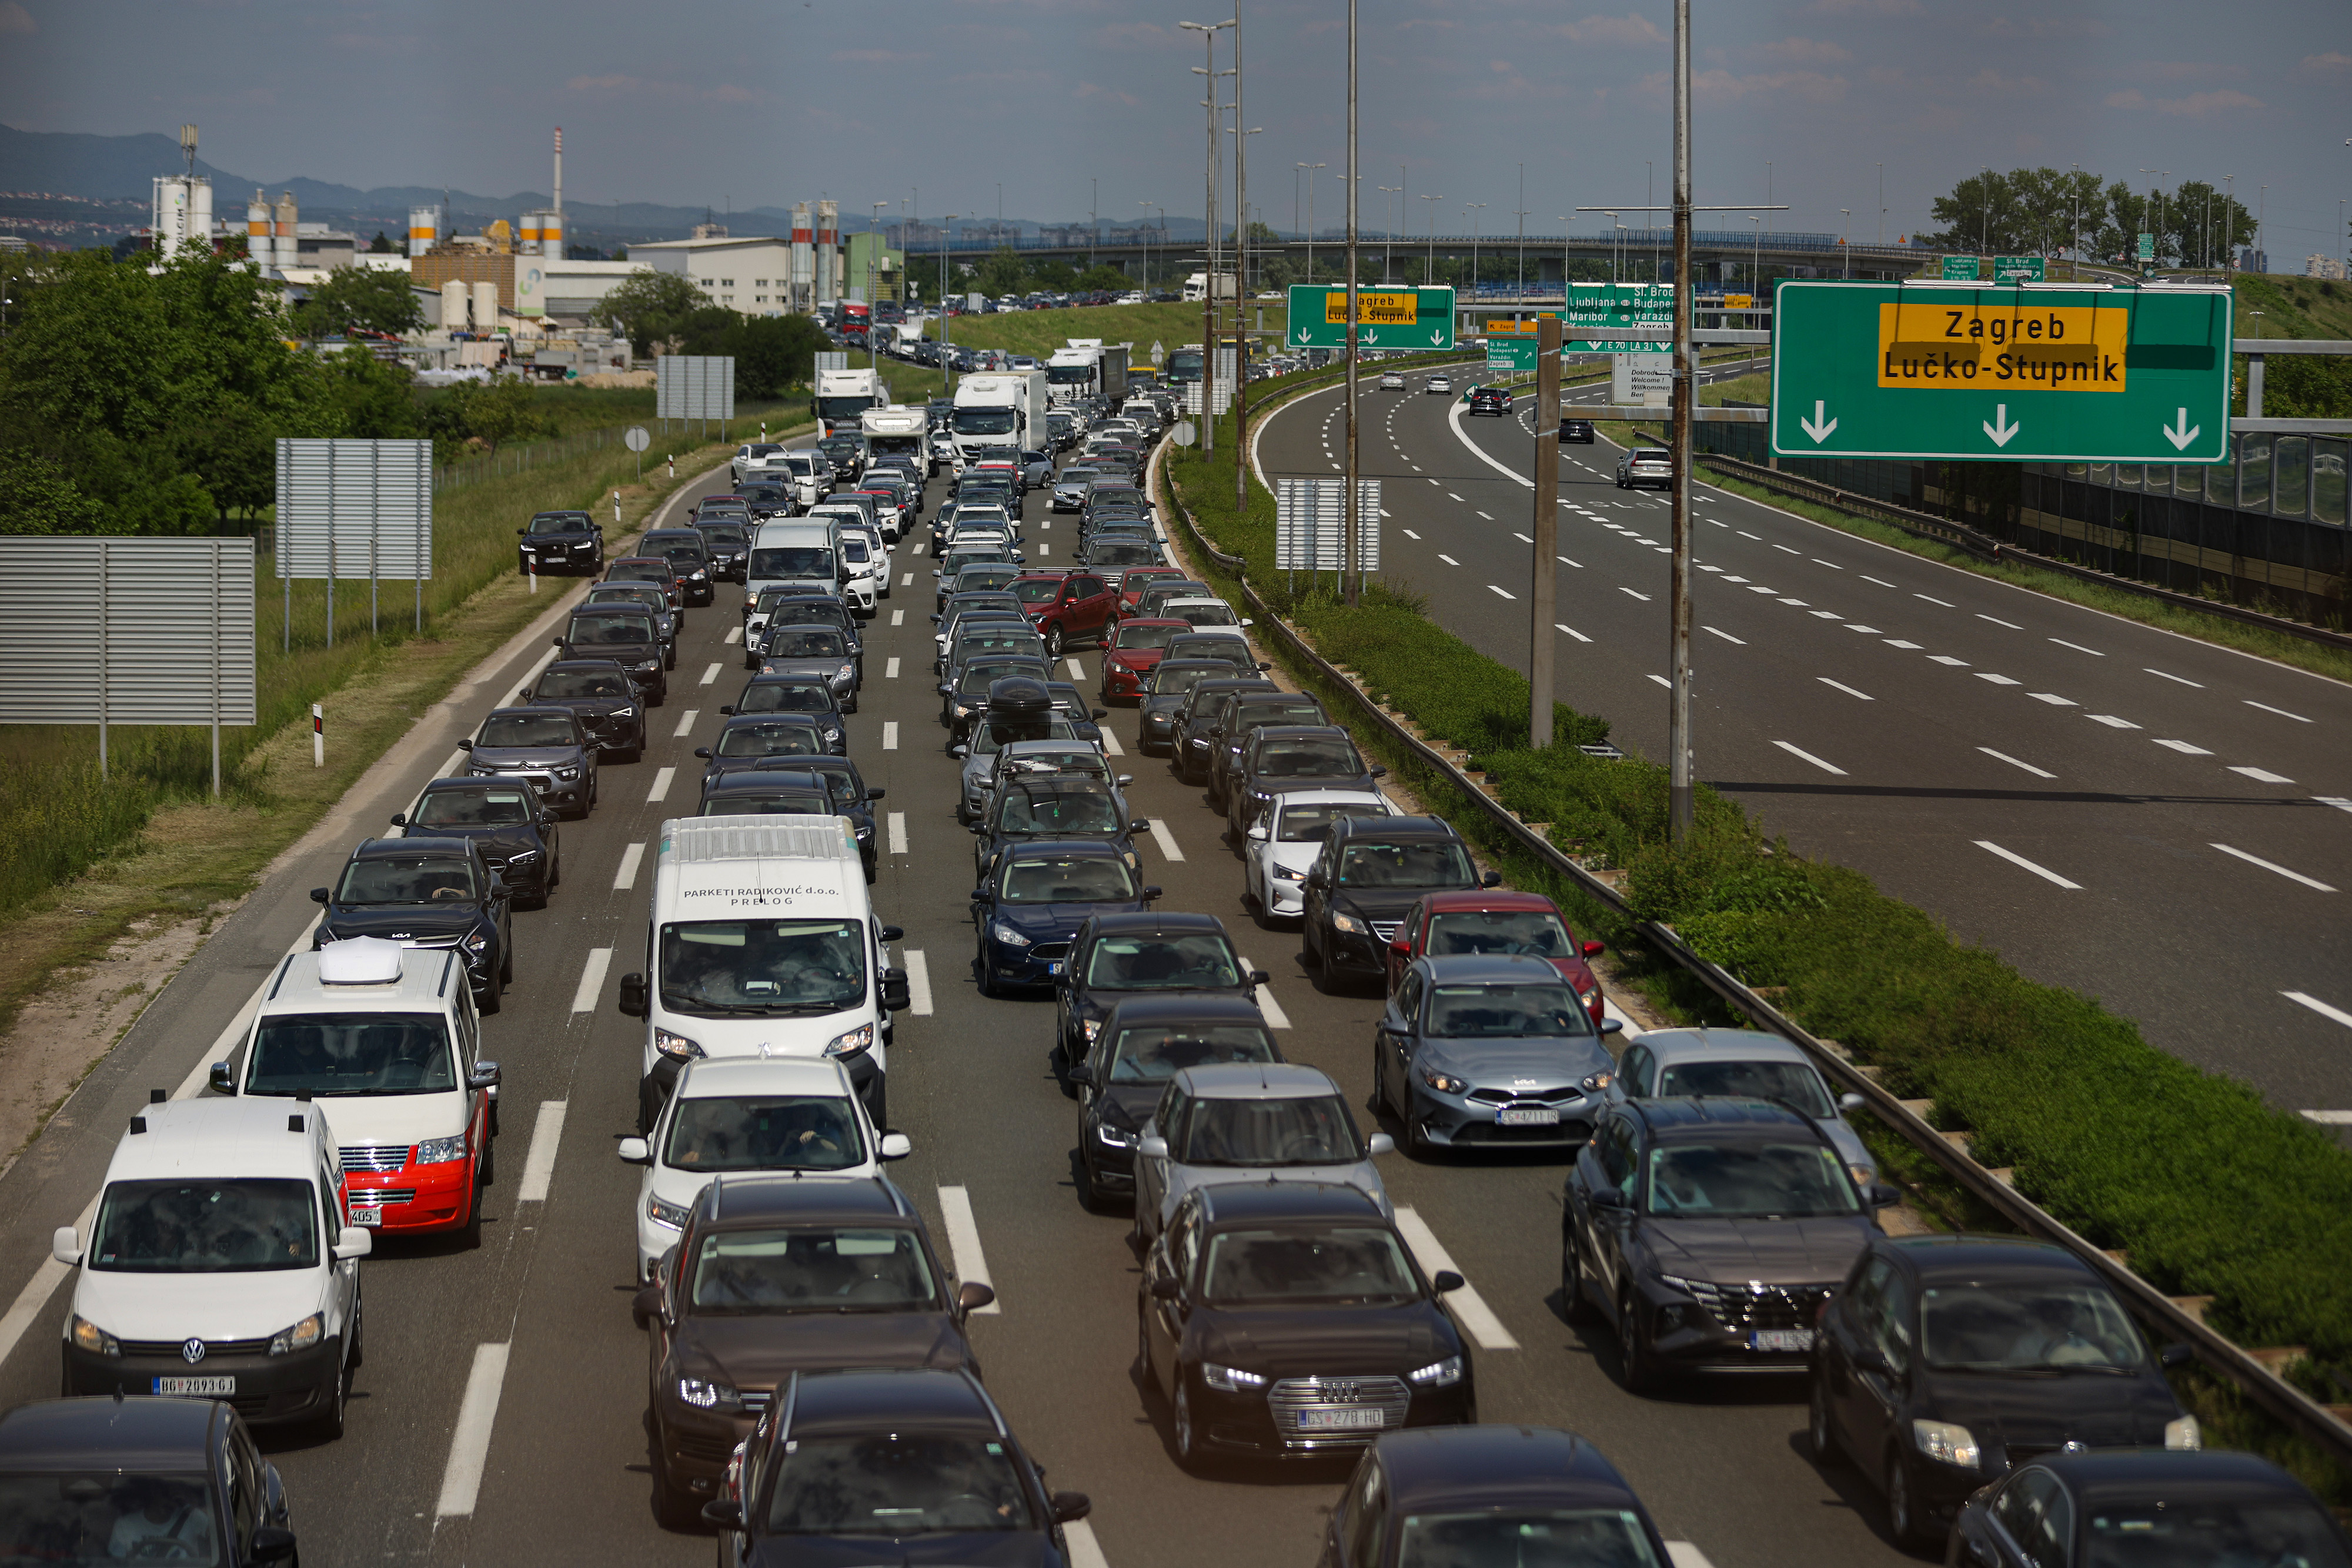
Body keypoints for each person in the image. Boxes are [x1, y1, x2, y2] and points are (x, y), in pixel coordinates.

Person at [107, 1479, 213, 1560]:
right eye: (167, 1495)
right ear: (154, 1492)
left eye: (176, 1499)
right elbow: (117, 1563)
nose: (171, 1503)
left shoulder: (192, 1517)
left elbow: (220, 1536)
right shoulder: (125, 1524)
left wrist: (192, 1505)